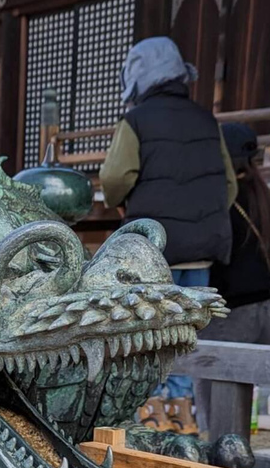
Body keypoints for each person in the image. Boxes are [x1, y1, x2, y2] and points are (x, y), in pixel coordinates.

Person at [99, 36, 238, 435]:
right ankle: (183, 420)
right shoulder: (206, 120)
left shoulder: (137, 121)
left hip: (155, 252)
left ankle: (150, 422)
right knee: (186, 338)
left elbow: (113, 179)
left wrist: (124, 203)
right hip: (201, 254)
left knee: (148, 339)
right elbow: (228, 186)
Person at [194, 122, 270, 433]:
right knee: (258, 403)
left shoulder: (222, 201)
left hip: (233, 311)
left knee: (215, 396)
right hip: (266, 307)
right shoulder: (263, 196)